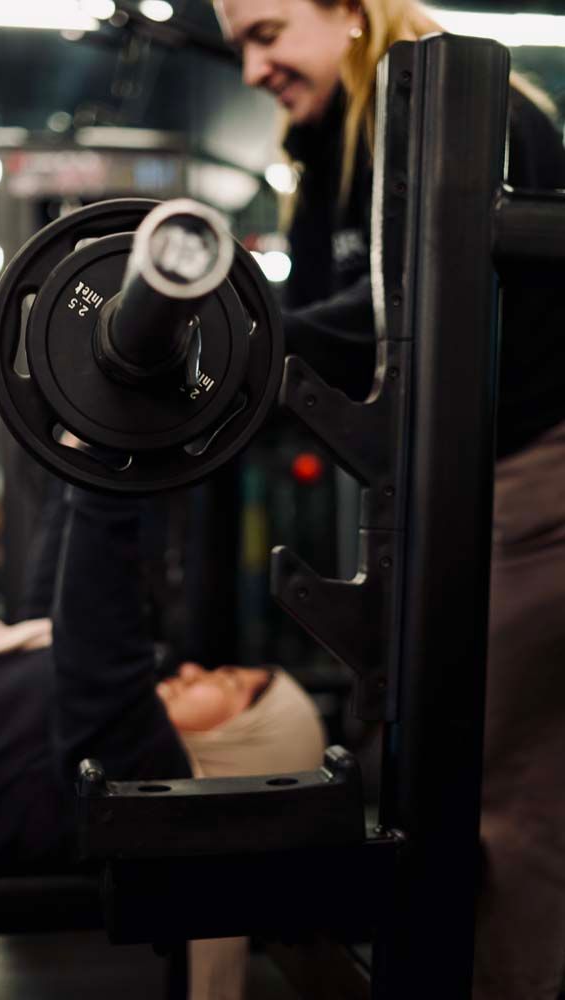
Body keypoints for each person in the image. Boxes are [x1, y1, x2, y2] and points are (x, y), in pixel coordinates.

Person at [213, 1, 565, 998]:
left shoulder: (472, 116)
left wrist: (226, 330)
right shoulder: (334, 152)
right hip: (442, 495)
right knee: (412, 785)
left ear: (346, 10)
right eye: (240, 45)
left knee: (495, 804)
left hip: (531, 486)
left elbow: (390, 312)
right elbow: (328, 333)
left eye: (266, 32)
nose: (252, 70)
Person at [0, 484, 326, 1000]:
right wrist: (73, 466)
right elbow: (62, 601)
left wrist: (109, 475)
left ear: (248, 746)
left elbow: (97, 609)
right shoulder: (120, 740)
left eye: (227, 682)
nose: (194, 671)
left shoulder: (143, 777)